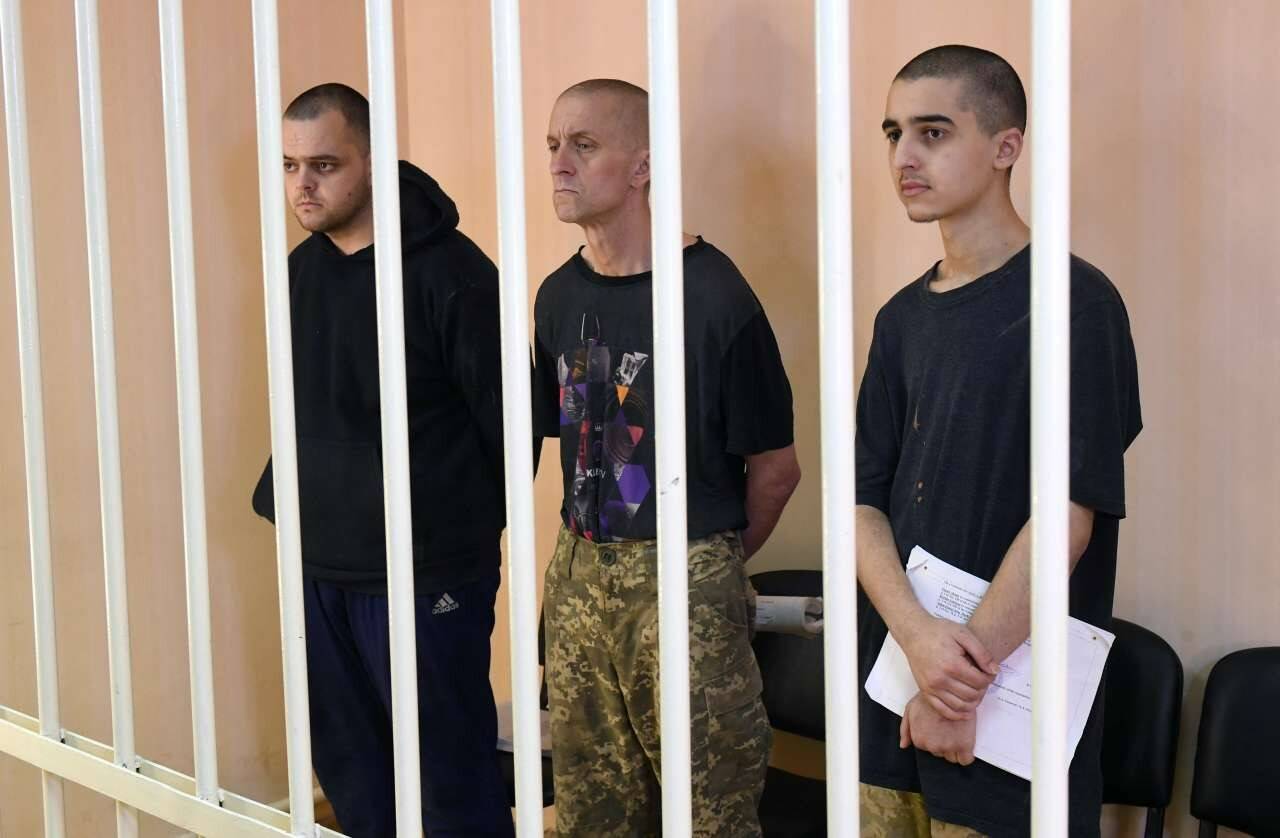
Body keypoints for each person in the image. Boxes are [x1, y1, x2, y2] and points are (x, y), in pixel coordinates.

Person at [855, 46, 1142, 837]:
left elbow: (1068, 518)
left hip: (1003, 715)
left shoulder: (1074, 304)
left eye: (934, 132)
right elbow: (862, 502)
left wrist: (957, 684)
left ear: (1005, 146)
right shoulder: (901, 320)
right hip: (894, 695)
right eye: (893, 133)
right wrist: (919, 643)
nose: (904, 157)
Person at [531, 78, 802, 837]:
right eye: (553, 145)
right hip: (579, 572)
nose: (559, 163)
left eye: (584, 145)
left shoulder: (715, 296)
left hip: (685, 580)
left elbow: (777, 469)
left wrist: (707, 564)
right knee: (589, 812)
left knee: (708, 810)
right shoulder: (556, 297)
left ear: (644, 166)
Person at [251, 82, 514, 837]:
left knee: (448, 782)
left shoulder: (452, 274)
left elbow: (510, 426)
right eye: (290, 165)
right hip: (321, 562)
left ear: (372, 161)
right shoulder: (299, 272)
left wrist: (452, 537)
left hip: (425, 568)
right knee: (353, 775)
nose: (303, 185)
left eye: (324, 165)